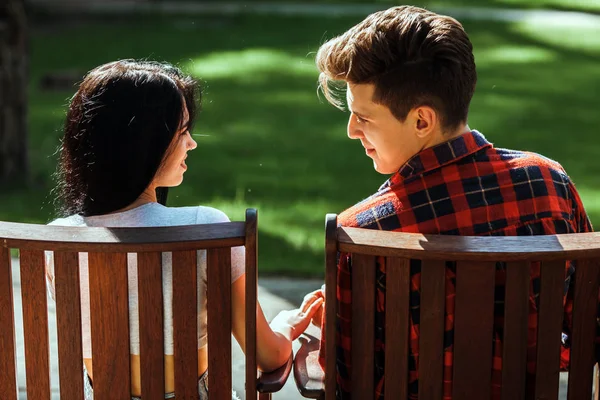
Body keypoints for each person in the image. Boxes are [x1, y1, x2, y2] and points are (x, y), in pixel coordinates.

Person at [312, 5, 596, 399]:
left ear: (421, 121)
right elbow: (587, 327)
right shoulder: (550, 184)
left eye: (363, 117)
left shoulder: (363, 233)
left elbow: (346, 381)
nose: (350, 130)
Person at [45, 59, 323, 400]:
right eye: (181, 132)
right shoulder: (205, 228)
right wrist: (285, 327)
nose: (191, 143)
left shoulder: (58, 239)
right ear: (144, 144)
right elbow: (267, 355)